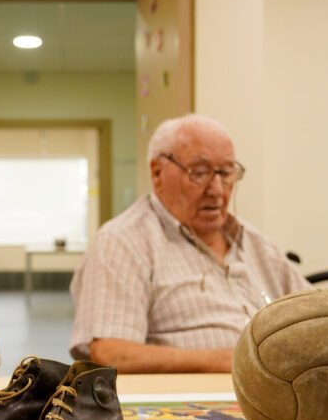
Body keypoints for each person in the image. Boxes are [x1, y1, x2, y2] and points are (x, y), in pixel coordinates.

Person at [69, 114, 309, 373]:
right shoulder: (124, 242)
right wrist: (230, 361)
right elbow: (112, 353)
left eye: (227, 172)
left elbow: (320, 318)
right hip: (194, 403)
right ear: (157, 173)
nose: (217, 189)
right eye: (200, 173)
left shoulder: (256, 245)